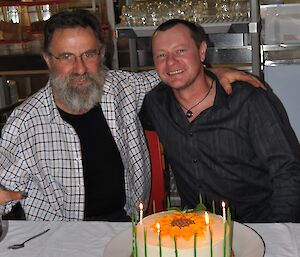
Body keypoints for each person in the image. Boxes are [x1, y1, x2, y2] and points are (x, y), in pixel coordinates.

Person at [0, 10, 263, 221]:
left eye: (88, 54)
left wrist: (212, 72)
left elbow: (175, 73)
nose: (79, 68)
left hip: (128, 227)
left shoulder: (120, 87)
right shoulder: (24, 123)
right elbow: (4, 193)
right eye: (66, 56)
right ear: (48, 60)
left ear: (102, 54)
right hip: (59, 239)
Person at [141, 19, 300, 222]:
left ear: (201, 51)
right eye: (161, 55)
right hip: (199, 230)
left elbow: (288, 170)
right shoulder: (156, 103)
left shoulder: (248, 100)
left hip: (258, 224)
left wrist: (278, 231)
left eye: (181, 51)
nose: (171, 62)